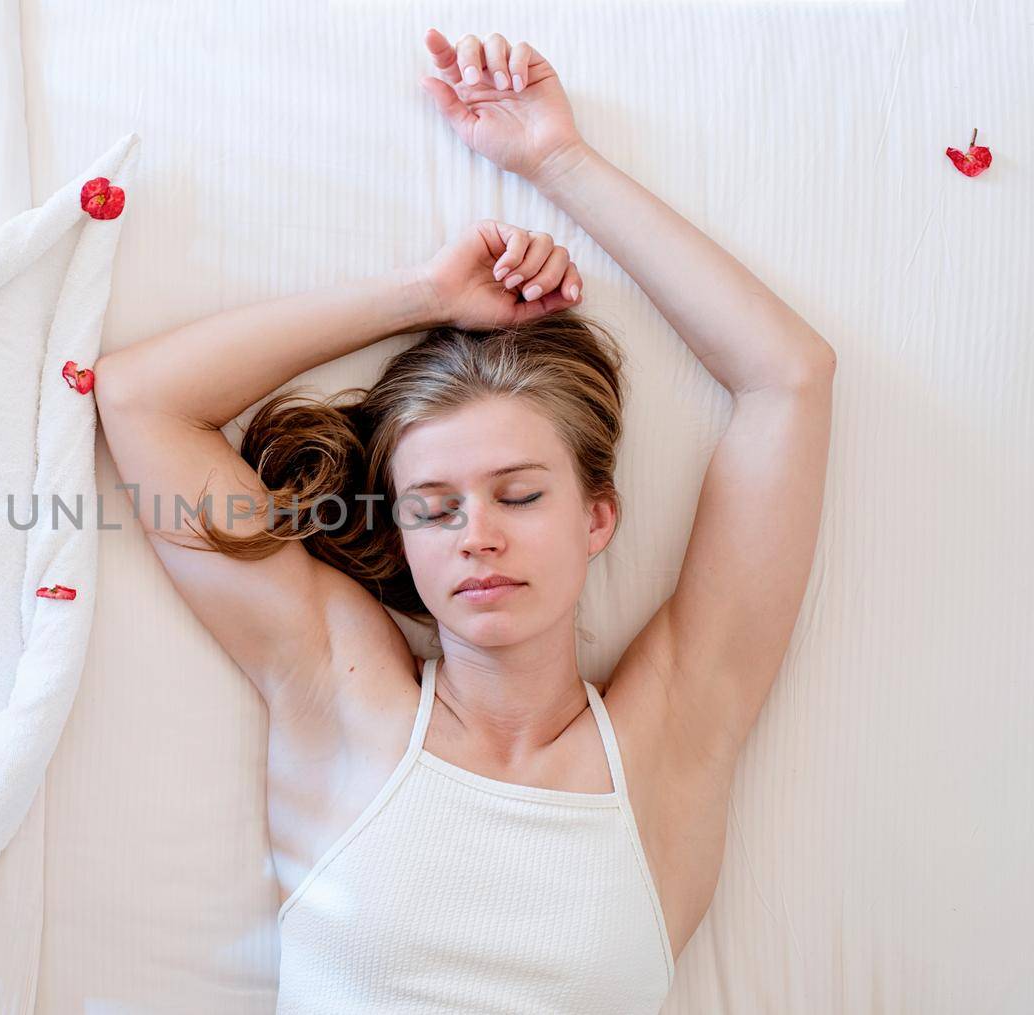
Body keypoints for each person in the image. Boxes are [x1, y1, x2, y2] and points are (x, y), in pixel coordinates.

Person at [94, 26, 835, 1014]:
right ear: (401, 535)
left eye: (520, 494)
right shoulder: (341, 693)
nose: (477, 534)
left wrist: (555, 162)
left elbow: (790, 378)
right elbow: (140, 400)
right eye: (433, 508)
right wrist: (422, 295)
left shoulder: (673, 735)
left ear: (597, 517)